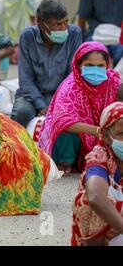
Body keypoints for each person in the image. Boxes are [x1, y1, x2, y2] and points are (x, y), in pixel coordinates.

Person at [39, 42, 121, 175]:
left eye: (100, 65)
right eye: (89, 65)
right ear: (79, 65)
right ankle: (65, 161)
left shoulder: (113, 82)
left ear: (107, 65)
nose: (95, 70)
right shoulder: (71, 86)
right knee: (64, 129)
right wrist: (98, 131)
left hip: (105, 134)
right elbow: (63, 121)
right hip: (79, 139)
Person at [11, 0, 83, 128]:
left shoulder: (74, 33)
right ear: (41, 24)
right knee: (22, 113)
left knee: (68, 120)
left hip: (61, 94)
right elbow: (26, 78)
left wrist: (58, 102)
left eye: (66, 22)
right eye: (57, 24)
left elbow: (72, 75)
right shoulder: (28, 36)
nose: (63, 28)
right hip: (30, 95)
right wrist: (41, 105)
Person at [72, 102, 123, 246]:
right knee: (87, 201)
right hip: (110, 232)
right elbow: (95, 196)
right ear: (106, 136)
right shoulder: (100, 156)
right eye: (121, 134)